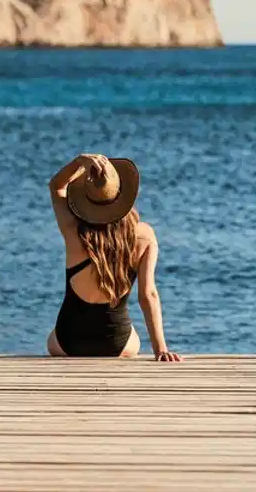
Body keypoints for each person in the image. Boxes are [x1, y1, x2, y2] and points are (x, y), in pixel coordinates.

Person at [46, 153, 181, 361]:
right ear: (124, 195)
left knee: (52, 336)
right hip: (118, 344)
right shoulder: (144, 236)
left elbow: (56, 187)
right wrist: (160, 349)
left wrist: (79, 162)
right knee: (133, 337)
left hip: (68, 343)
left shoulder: (73, 231)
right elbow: (148, 295)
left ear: (86, 197)